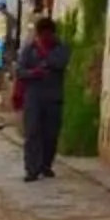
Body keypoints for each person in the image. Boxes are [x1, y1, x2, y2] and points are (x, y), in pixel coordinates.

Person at [12, 18, 67, 181]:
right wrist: (33, 73)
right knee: (32, 133)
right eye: (41, 35)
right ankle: (32, 169)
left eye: (47, 34)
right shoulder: (29, 50)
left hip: (53, 97)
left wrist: (45, 61)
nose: (44, 38)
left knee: (50, 134)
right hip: (33, 96)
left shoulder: (61, 48)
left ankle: (46, 164)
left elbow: (61, 62)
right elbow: (20, 71)